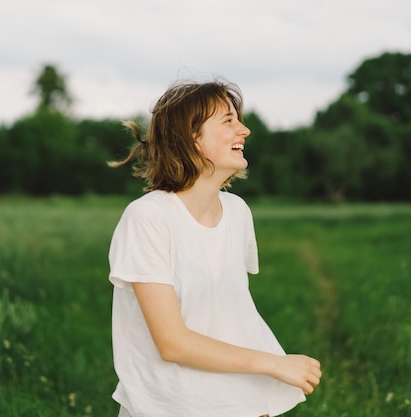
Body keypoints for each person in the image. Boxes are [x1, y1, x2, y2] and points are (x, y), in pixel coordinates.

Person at [107, 79, 322, 417]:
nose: (245, 130)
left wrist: (256, 404)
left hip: (234, 404)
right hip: (168, 407)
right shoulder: (148, 218)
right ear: (190, 137)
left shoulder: (237, 212)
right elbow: (172, 343)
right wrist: (275, 364)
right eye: (228, 120)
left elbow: (234, 319)